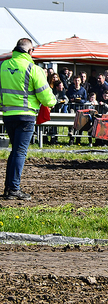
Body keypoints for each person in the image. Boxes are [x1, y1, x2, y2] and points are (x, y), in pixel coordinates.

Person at [0, 38, 56, 200]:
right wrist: (52, 102)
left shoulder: (3, 66)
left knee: (15, 151)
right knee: (19, 152)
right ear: (30, 51)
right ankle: (14, 189)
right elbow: (46, 96)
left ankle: (9, 188)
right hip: (26, 116)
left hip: (8, 116)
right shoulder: (33, 68)